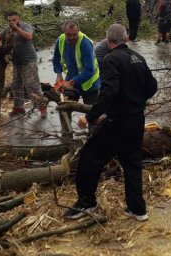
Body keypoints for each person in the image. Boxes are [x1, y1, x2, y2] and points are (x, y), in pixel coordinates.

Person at [59, 24, 158, 221]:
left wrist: (89, 116)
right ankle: (138, 210)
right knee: (132, 164)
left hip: (118, 121)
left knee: (89, 157)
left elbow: (108, 93)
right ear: (126, 38)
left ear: (108, 40)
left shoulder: (110, 59)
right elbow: (152, 86)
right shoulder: (138, 58)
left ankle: (87, 203)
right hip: (136, 120)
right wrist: (136, 100)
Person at [0, 11, 47, 118]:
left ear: (18, 19)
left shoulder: (25, 26)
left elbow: (29, 36)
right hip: (16, 62)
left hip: (28, 61)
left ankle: (42, 107)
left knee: (32, 86)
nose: (12, 22)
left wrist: (16, 29)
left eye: (14, 20)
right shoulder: (7, 30)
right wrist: (1, 46)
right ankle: (19, 108)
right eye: (9, 21)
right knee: (16, 86)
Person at [52, 20, 101, 105]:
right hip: (72, 76)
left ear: (79, 31)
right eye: (68, 35)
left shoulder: (85, 44)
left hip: (90, 83)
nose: (71, 37)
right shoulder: (60, 40)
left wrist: (71, 82)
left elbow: (89, 71)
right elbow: (56, 59)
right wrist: (59, 75)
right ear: (64, 32)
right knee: (64, 105)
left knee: (91, 112)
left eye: (74, 34)